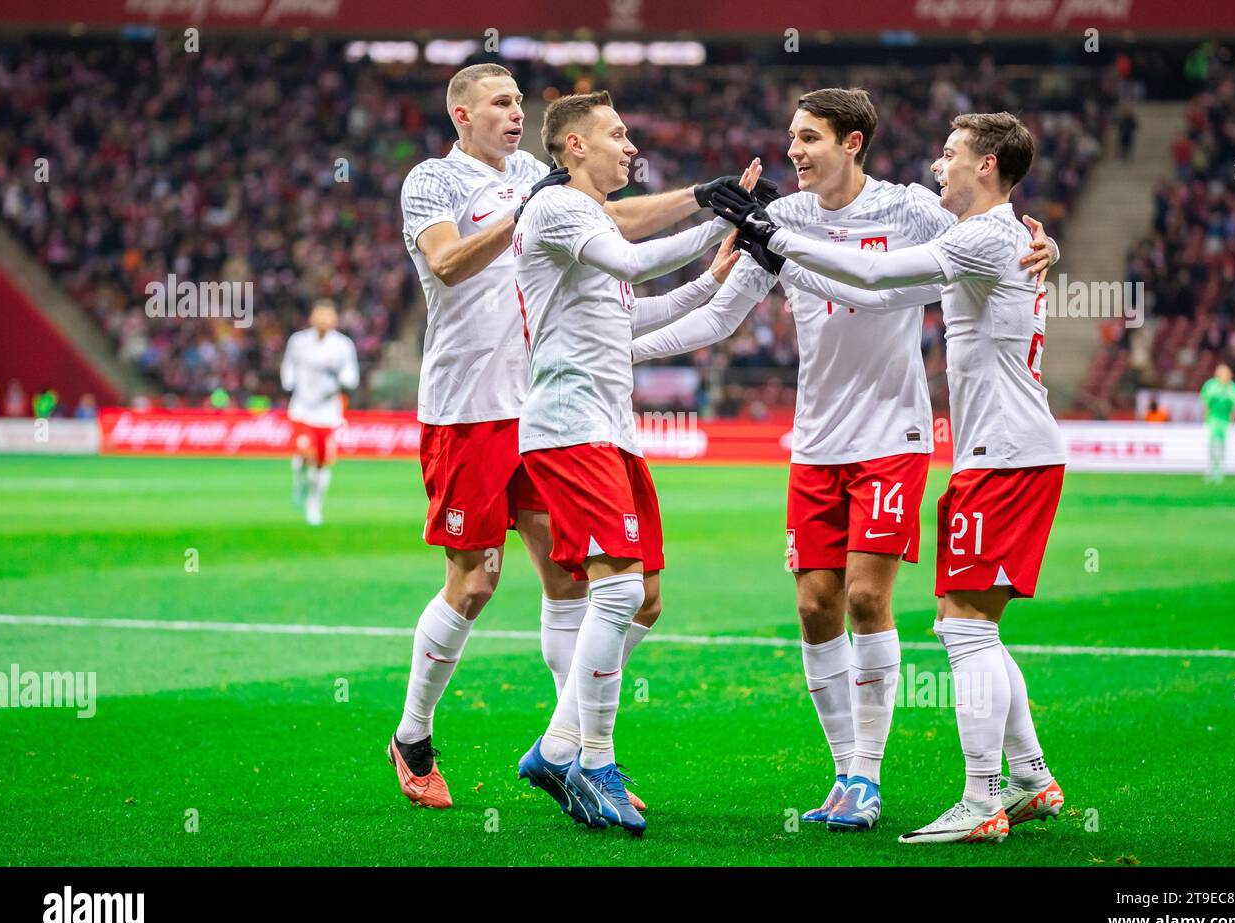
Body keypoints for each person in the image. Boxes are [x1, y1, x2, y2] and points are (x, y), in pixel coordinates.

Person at [630, 88, 1056, 833]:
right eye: (791, 137)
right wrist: (621, 352)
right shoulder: (785, 217)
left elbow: (942, 256)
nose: (794, 151)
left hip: (895, 436)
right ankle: (867, 774)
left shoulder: (911, 208)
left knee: (870, 598)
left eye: (809, 138)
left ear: (851, 143)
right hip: (818, 440)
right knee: (814, 605)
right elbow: (722, 314)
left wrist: (1044, 245)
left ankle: (876, 775)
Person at [391, 62, 762, 813]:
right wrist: (526, 212)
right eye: (499, 103)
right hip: (466, 405)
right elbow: (448, 262)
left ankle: (582, 755)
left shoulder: (540, 178)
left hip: (541, 407)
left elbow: (610, 223)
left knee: (577, 582)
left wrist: (700, 199)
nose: (514, 114)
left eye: (520, 102)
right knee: (476, 583)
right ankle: (414, 735)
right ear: (461, 115)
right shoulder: (433, 180)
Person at [511, 90, 766, 833]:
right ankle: (590, 761)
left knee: (645, 597)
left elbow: (634, 309)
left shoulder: (586, 223)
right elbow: (630, 259)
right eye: (617, 135)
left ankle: (558, 746)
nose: (630, 147)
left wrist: (714, 276)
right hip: (568, 427)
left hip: (611, 430)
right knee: (616, 592)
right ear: (574, 148)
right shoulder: (557, 208)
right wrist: (716, 215)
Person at [280, 299, 359, 526]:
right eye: (319, 315)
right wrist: (289, 382)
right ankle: (300, 484)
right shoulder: (298, 341)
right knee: (306, 455)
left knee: (322, 464)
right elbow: (288, 365)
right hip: (302, 409)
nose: (323, 320)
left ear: (334, 319)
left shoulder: (343, 345)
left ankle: (314, 505)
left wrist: (344, 381)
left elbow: (351, 375)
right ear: (312, 317)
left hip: (327, 413)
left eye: (328, 315)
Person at [1200, 364, 1235, 482]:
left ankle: (1219, 469)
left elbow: (1234, 407)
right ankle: (1211, 467)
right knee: (1212, 443)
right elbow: (1205, 402)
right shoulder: (1210, 386)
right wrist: (1206, 417)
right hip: (1213, 419)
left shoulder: (1233, 388)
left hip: (1224, 420)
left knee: (1222, 444)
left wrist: (1232, 421)